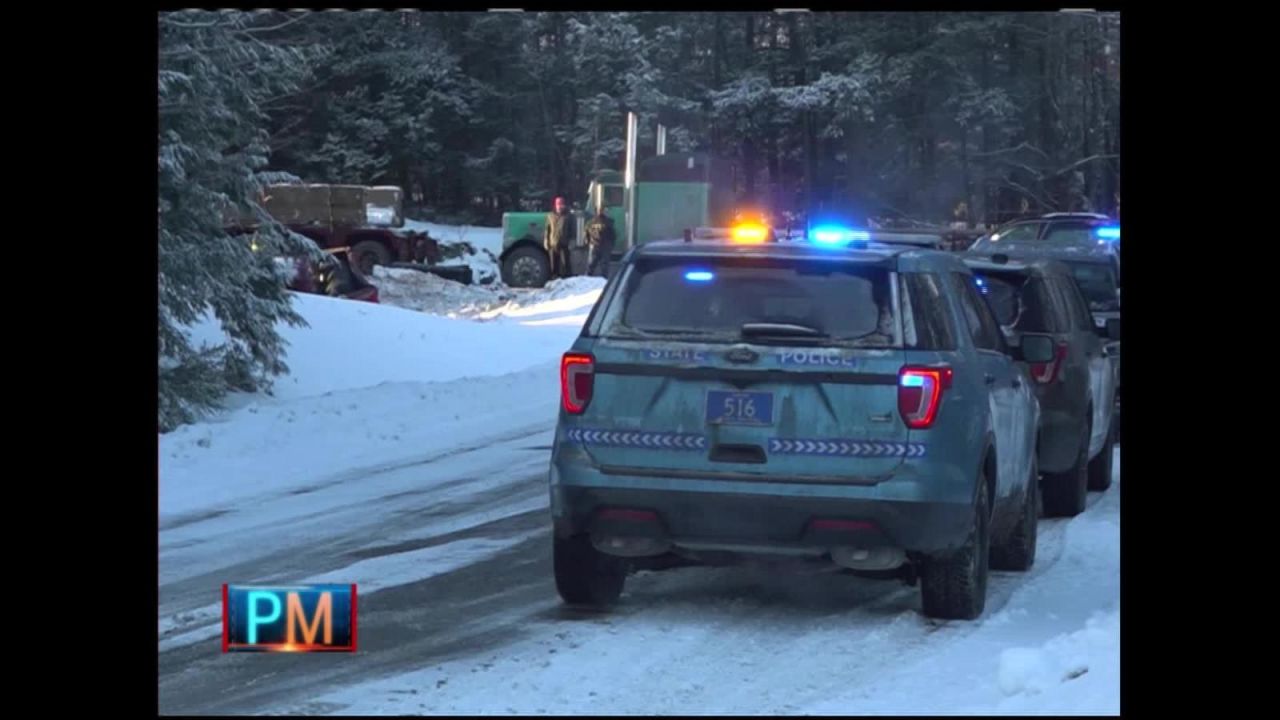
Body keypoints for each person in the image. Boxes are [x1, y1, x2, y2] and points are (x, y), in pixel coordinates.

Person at [544, 196, 575, 279]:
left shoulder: (568, 216)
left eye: (561, 204)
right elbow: (547, 229)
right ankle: (554, 278)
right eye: (558, 204)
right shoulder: (550, 215)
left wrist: (572, 241)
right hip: (553, 242)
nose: (560, 206)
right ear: (555, 205)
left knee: (566, 263)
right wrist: (546, 241)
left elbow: (573, 230)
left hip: (564, 243)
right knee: (554, 264)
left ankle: (567, 278)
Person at [584, 206, 616, 278]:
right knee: (591, 265)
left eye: (601, 210)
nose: (600, 212)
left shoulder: (608, 222)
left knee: (604, 267)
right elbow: (586, 233)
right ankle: (586, 280)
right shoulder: (591, 222)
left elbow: (613, 235)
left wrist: (611, 245)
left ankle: (603, 281)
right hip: (594, 246)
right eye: (599, 210)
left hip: (604, 246)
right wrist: (588, 242)